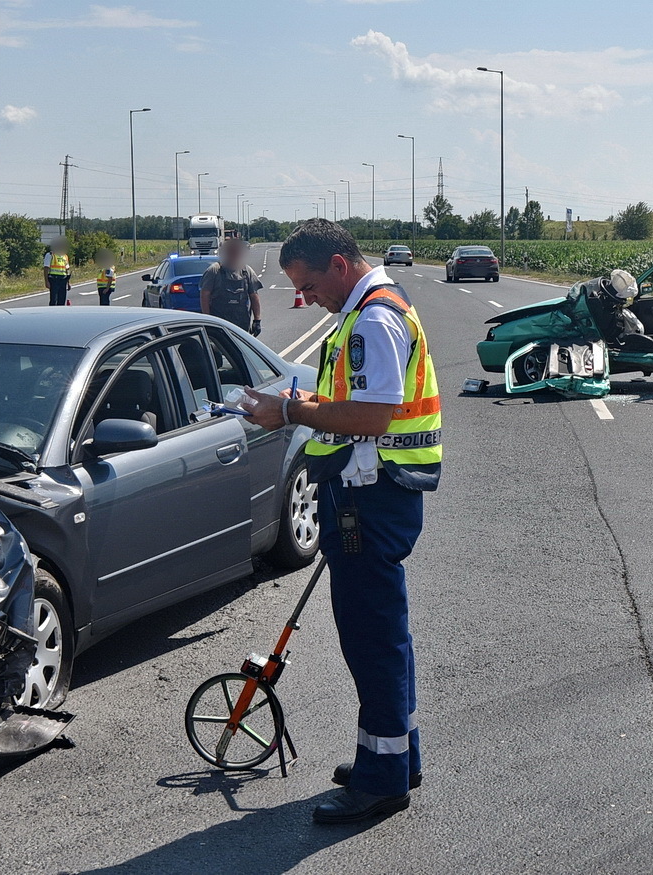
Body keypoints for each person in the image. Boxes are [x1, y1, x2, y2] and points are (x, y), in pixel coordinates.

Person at [243, 219, 441, 825]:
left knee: (371, 638)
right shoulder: (372, 309)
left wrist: (290, 411)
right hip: (376, 493)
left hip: (372, 495)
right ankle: (394, 759)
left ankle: (382, 780)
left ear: (337, 263)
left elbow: (375, 416)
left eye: (309, 286)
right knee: (384, 634)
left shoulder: (374, 318)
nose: (308, 300)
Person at [200, 238, 263, 336]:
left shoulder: (246, 271)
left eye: (237, 252)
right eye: (231, 252)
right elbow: (204, 296)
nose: (234, 255)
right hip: (219, 326)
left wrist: (257, 320)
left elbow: (254, 296)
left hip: (241, 326)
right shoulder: (214, 271)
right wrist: (208, 321)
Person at [43, 239, 71, 306]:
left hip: (63, 279)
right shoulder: (50, 255)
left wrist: (68, 282)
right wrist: (46, 281)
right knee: (54, 300)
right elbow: (46, 268)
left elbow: (67, 269)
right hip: (54, 279)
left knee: (62, 300)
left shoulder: (65, 256)